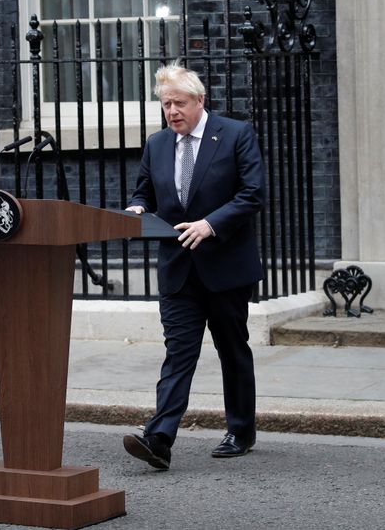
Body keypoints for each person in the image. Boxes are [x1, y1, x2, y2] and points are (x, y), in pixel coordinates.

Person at [123, 63, 265, 470]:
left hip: (225, 267)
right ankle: (160, 438)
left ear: (200, 100)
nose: (172, 111)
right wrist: (136, 208)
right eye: (166, 104)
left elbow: (252, 194)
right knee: (178, 354)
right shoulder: (157, 144)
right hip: (178, 268)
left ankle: (241, 429)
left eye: (179, 103)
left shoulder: (235, 134)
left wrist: (210, 224)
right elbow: (144, 191)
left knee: (232, 350)